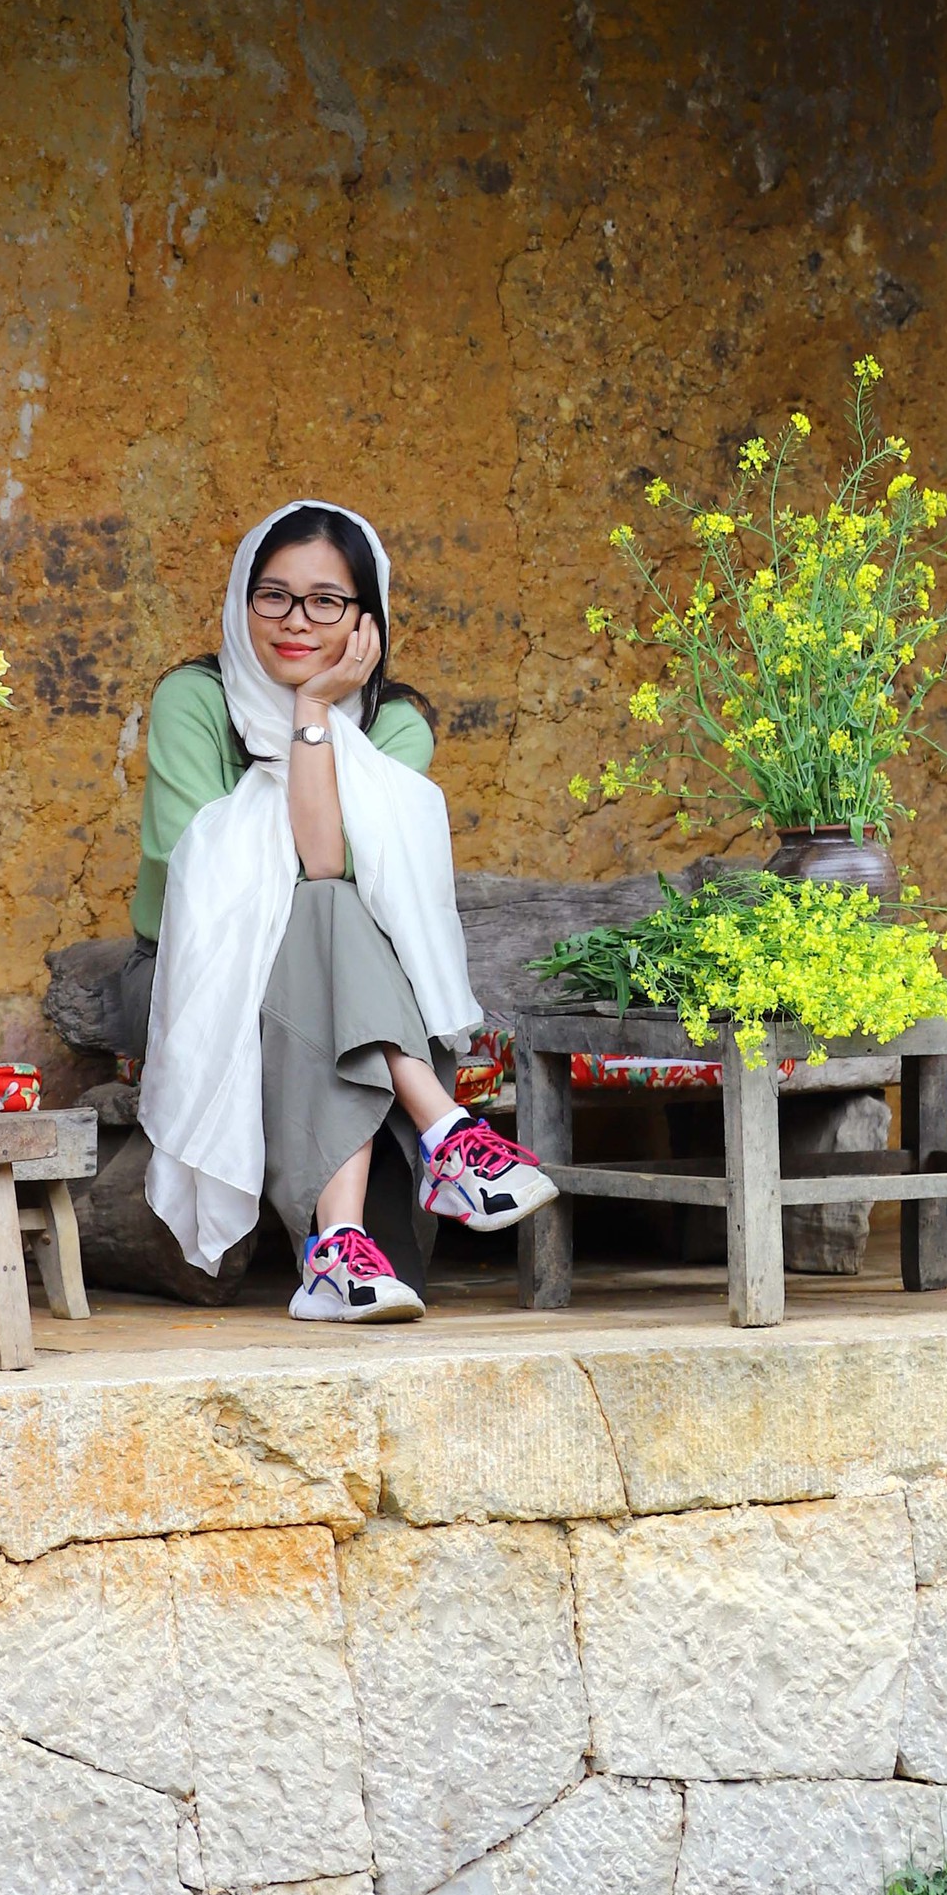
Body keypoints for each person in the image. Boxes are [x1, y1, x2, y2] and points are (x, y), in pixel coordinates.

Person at [136, 501, 556, 1324]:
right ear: (240, 598)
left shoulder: (394, 723)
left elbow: (323, 867)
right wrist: (313, 711)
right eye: (274, 596)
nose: (296, 623)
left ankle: (340, 1250)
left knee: (324, 909)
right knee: (321, 905)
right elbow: (221, 880)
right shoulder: (194, 700)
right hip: (181, 973)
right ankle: (446, 1132)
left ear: (368, 617)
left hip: (336, 986)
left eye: (327, 602)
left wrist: (316, 715)